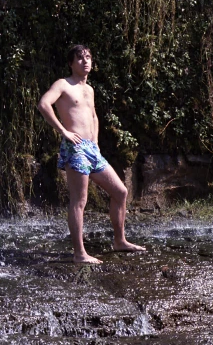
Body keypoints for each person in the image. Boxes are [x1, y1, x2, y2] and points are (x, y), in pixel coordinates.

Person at [37, 44, 145, 263]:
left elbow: (94, 116)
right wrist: (63, 131)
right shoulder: (63, 84)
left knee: (121, 191)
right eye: (79, 58)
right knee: (79, 201)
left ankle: (119, 241)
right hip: (74, 147)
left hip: (91, 148)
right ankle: (80, 253)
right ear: (71, 63)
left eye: (87, 57)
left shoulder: (90, 89)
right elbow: (43, 104)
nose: (85, 61)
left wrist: (95, 140)